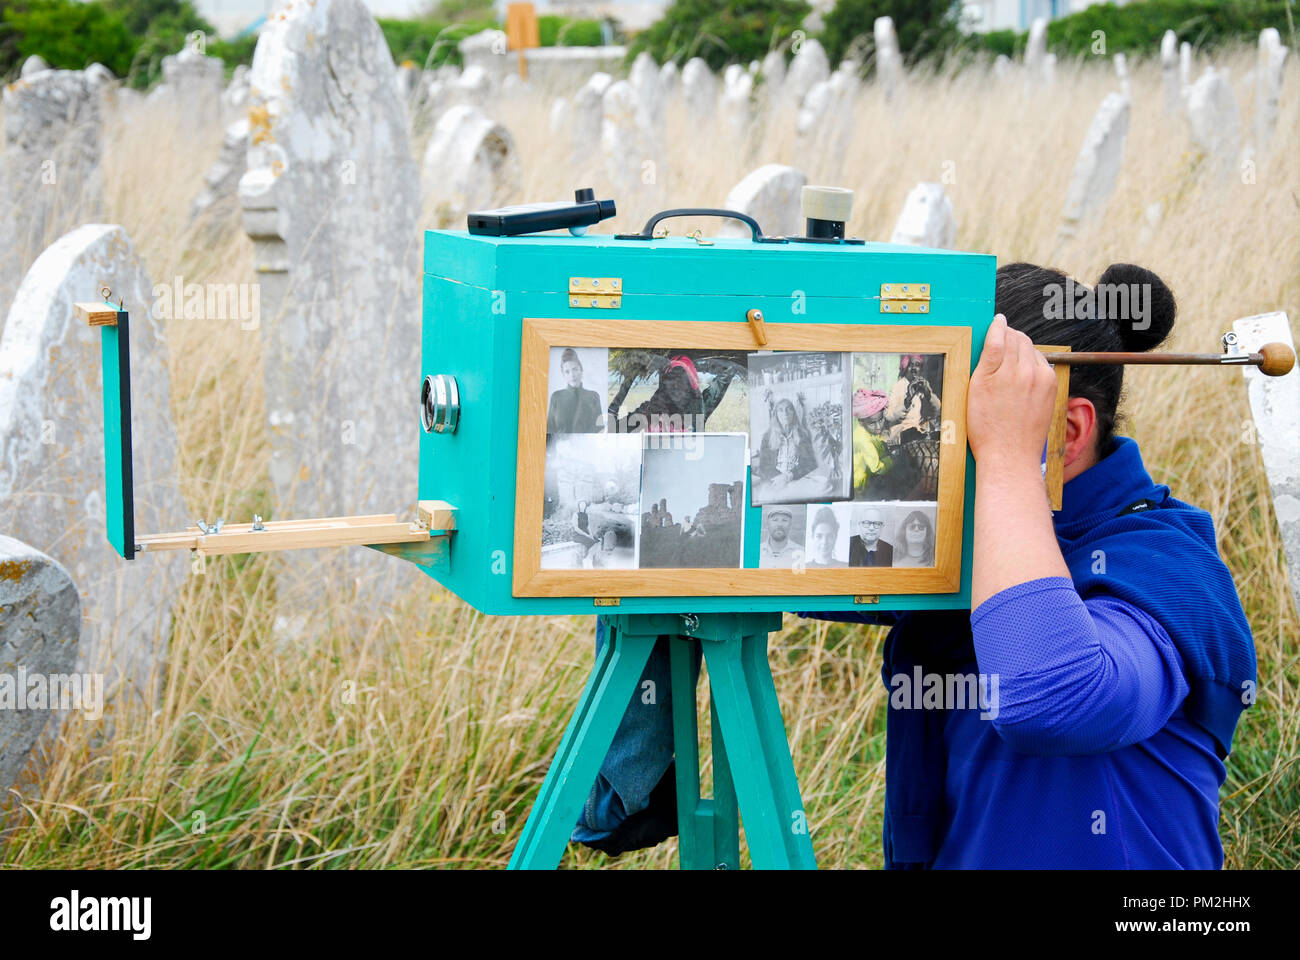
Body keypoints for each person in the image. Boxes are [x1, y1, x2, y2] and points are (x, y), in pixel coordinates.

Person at [547, 348, 605, 434]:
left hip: (588, 446)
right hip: (560, 447)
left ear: (581, 370)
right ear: (563, 375)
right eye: (567, 372)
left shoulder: (593, 396)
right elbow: (549, 430)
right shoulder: (556, 397)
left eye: (575, 369)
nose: (572, 375)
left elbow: (599, 430)